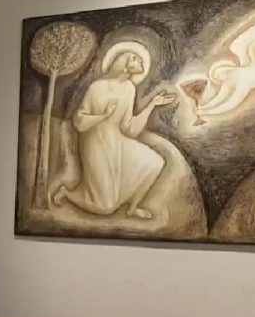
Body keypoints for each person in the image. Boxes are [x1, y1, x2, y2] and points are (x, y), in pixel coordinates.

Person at [52, 43, 176, 220]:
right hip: (95, 144)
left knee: (155, 162)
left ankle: (133, 208)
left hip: (116, 141)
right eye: (134, 57)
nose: (139, 60)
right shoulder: (97, 87)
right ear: (123, 63)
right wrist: (103, 115)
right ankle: (67, 193)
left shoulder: (129, 89)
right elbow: (79, 122)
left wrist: (152, 104)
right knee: (105, 207)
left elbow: (129, 128)